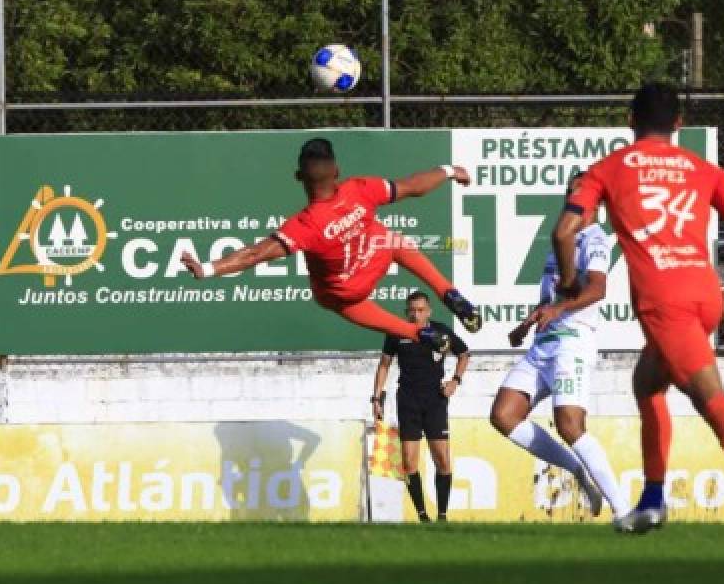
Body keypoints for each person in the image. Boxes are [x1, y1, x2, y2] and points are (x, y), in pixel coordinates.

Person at [552, 83, 724, 539]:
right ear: (679, 124)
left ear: (630, 121)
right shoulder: (703, 169)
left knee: (708, 398)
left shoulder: (607, 169)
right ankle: (652, 501)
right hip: (704, 292)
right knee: (647, 384)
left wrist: (568, 283)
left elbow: (565, 232)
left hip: (665, 302)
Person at [181, 137, 482, 353]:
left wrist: (206, 269)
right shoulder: (360, 190)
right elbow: (414, 186)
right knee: (391, 239)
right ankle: (449, 292)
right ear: (336, 170)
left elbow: (254, 254)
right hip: (373, 259)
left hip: (345, 292)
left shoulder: (305, 225)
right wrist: (450, 170)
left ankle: (418, 333)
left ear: (299, 177)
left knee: (338, 299)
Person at [488, 173, 627, 521]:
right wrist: (527, 323)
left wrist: (558, 310)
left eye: (580, 192)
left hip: (572, 342)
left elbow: (596, 290)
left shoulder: (594, 240)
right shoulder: (560, 242)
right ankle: (576, 470)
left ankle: (623, 509)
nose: (573, 198)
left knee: (569, 425)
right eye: (570, 192)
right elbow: (553, 296)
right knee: (503, 415)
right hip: (542, 344)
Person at [371, 291, 470, 522]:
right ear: (407, 312)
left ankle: (442, 516)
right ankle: (423, 516)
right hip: (408, 400)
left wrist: (455, 381)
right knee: (408, 461)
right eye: (412, 310)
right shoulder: (397, 332)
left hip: (435, 400)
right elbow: (384, 365)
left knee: (442, 460)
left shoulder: (440, 331)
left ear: (429, 311)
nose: (416, 315)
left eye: (420, 310)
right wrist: (377, 398)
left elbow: (464, 354)